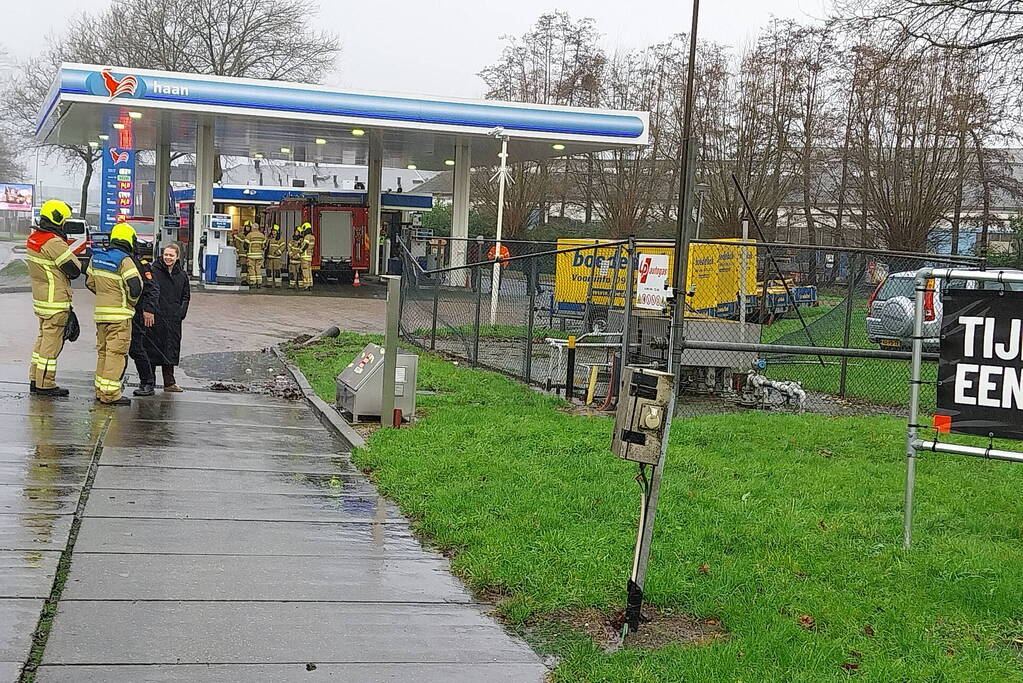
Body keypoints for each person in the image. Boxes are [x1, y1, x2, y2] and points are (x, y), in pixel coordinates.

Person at [26, 199, 81, 396]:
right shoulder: (54, 242)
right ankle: (45, 383)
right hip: (56, 301)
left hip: (41, 300)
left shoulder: (34, 239)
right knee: (52, 344)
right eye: (64, 220)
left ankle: (35, 377)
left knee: (42, 340)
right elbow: (74, 269)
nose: (65, 224)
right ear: (57, 219)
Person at [86, 222, 143, 406]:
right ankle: (110, 394)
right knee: (115, 355)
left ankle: (100, 390)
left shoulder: (97, 257)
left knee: (103, 353)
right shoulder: (125, 261)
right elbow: (135, 287)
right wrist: (130, 303)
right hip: (119, 317)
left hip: (101, 315)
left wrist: (104, 296)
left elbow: (89, 283)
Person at [145, 242, 190, 392]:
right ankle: (149, 382)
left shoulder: (182, 275)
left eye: (171, 255)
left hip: (173, 319)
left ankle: (169, 383)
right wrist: (149, 310)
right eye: (166, 254)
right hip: (155, 317)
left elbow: (186, 296)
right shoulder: (153, 271)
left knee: (170, 349)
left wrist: (181, 313)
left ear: (177, 257)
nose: (168, 258)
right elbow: (148, 291)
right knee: (151, 349)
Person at [128, 241, 161, 396]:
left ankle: (147, 382)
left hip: (137, 311)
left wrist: (148, 309)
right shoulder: (115, 260)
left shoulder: (141, 263)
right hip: (119, 312)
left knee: (136, 348)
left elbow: (152, 288)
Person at [246, 221, 266, 287]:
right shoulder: (262, 235)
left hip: (251, 255)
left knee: (251, 268)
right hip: (259, 255)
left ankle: (253, 282)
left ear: (253, 228)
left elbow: (245, 245)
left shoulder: (250, 235)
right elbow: (264, 246)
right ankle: (259, 282)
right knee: (258, 268)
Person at [298, 221, 315, 291]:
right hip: (309, 256)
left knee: (305, 270)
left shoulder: (307, 237)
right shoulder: (312, 237)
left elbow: (305, 245)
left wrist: (300, 251)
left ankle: (306, 285)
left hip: (304, 256)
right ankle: (310, 283)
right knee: (309, 270)